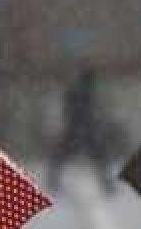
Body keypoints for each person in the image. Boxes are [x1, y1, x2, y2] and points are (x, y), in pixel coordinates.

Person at [48, 66, 115, 194]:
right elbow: (85, 112)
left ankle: (53, 181)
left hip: (77, 130)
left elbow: (69, 109)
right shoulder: (85, 92)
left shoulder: (76, 91)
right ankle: (107, 184)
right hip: (83, 130)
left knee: (61, 157)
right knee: (99, 157)